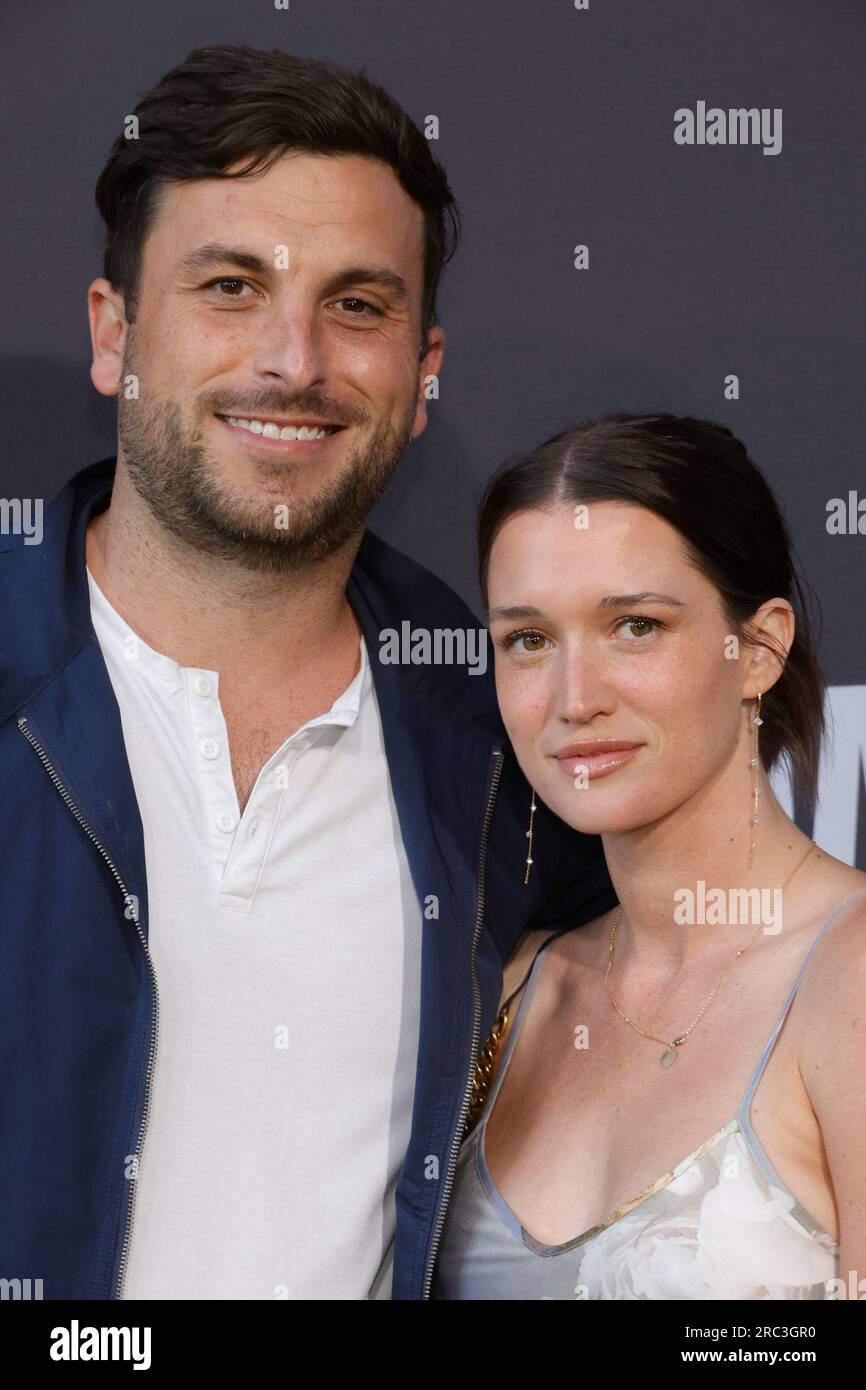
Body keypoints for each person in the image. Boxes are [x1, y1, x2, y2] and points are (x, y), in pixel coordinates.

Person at [0, 45, 618, 1301]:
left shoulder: (508, 751)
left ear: (422, 369)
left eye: (357, 304)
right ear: (114, 334)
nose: (295, 361)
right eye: (230, 286)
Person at [432, 413, 866, 1299]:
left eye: (634, 626)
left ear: (759, 649)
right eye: (529, 640)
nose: (574, 698)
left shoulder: (849, 978)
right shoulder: (514, 989)